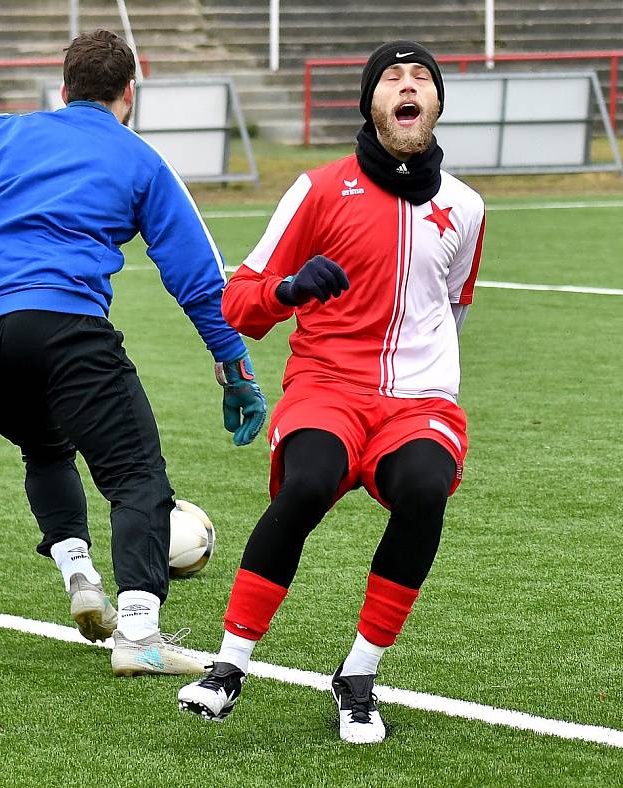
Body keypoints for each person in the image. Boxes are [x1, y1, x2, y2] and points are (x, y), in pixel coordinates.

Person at [0, 29, 267, 677]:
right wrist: (234, 370)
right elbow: (199, 275)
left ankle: (80, 578)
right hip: (64, 329)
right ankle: (141, 636)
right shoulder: (139, 157)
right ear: (130, 94)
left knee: (44, 446)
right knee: (136, 475)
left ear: (62, 90)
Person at [178, 40, 485, 741]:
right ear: (371, 103)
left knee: (424, 490)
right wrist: (291, 288)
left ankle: (359, 675)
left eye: (421, 79)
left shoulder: (466, 207)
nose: (408, 87)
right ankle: (227, 668)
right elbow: (239, 302)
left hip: (419, 402)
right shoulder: (318, 189)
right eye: (392, 78)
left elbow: (454, 307)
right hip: (327, 387)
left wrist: (427, 384)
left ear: (436, 103)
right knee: (308, 482)